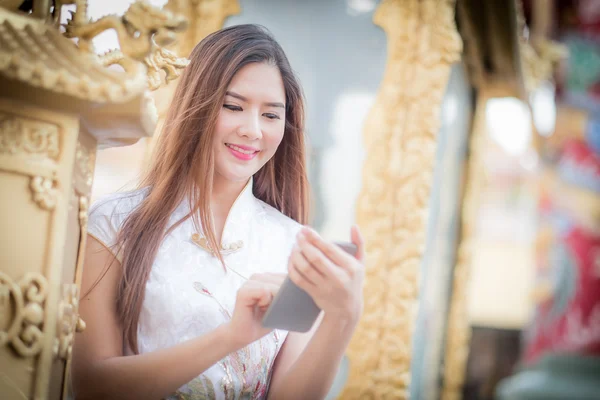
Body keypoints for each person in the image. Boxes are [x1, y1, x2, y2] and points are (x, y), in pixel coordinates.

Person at [72, 24, 365, 400]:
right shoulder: (114, 223)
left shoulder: (293, 244)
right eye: (233, 106)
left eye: (271, 115)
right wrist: (230, 337)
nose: (253, 130)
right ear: (198, 105)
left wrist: (342, 317)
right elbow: (91, 385)